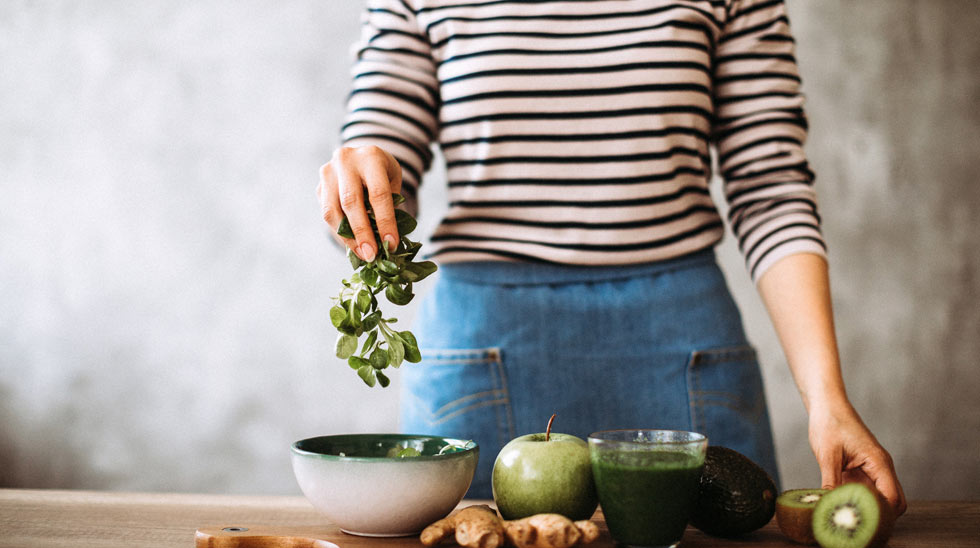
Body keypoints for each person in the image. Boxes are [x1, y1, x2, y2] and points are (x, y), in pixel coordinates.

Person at [316, 0, 906, 513]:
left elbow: (771, 188)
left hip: (681, 353)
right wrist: (363, 185)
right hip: (483, 357)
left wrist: (827, 399)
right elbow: (382, 145)